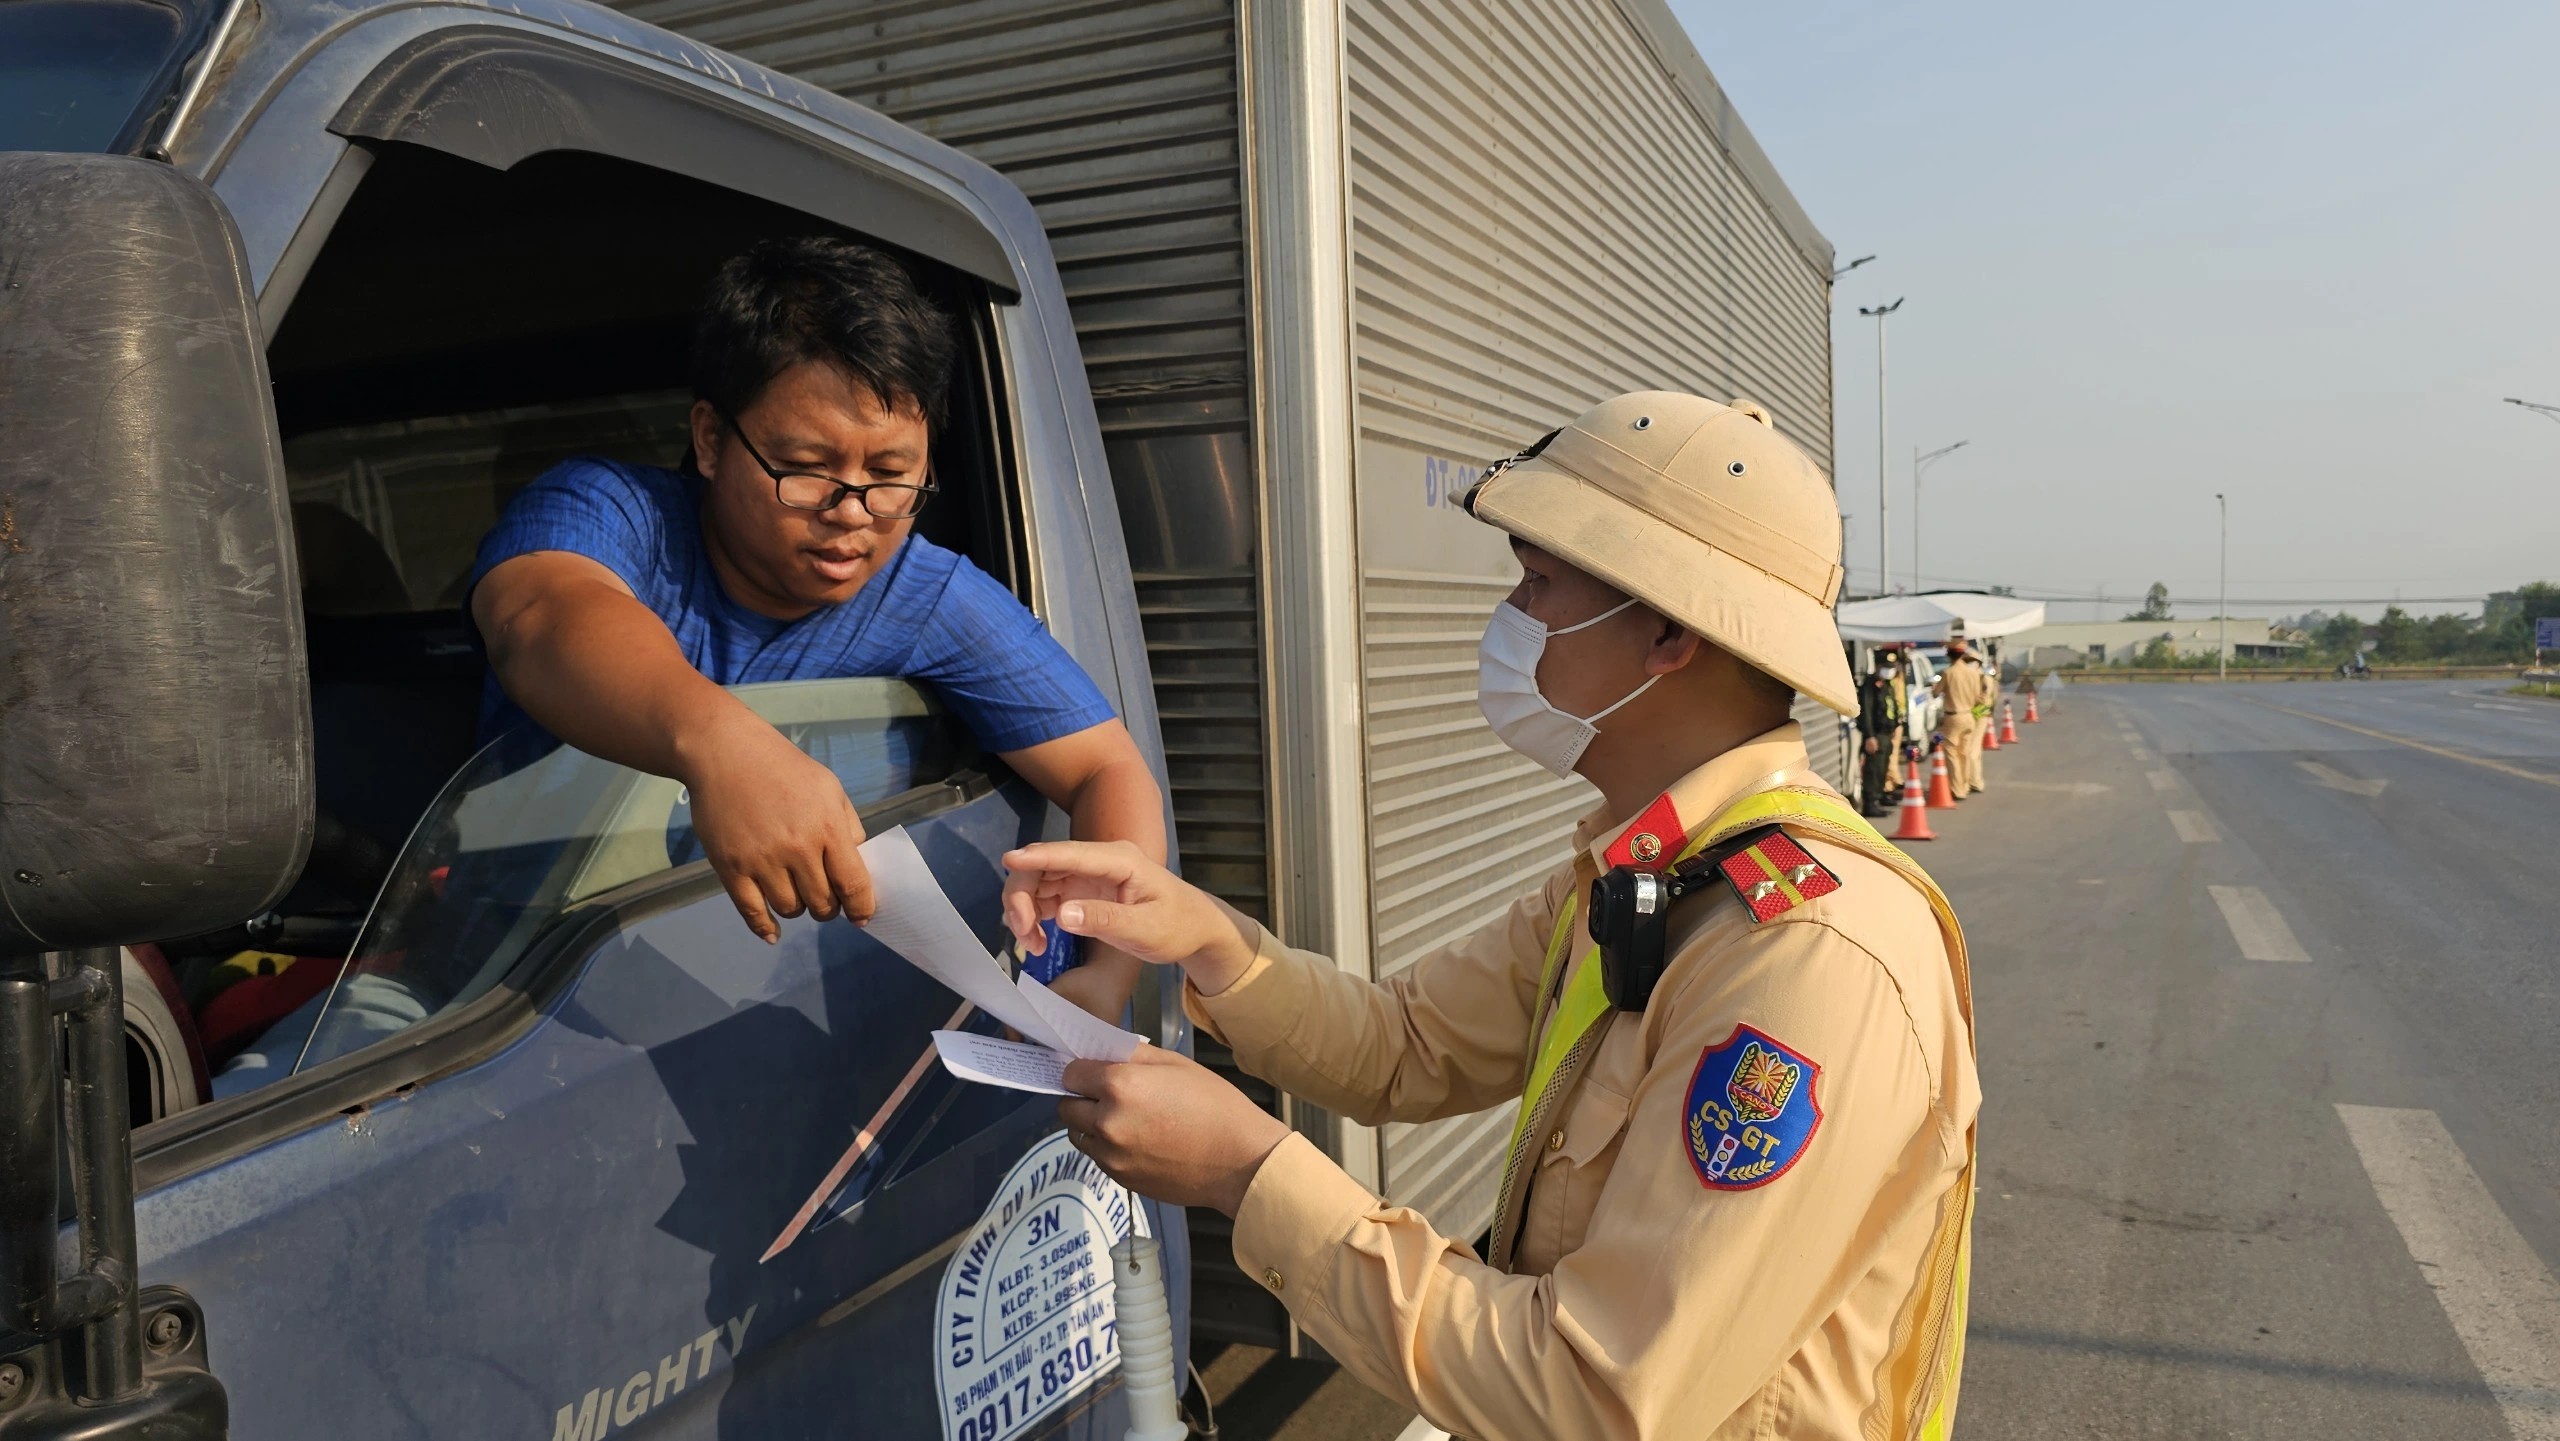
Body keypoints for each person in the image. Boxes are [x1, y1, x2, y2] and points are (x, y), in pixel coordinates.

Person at [1002, 393, 1981, 1439]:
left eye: (1539, 581)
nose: (1510, 615)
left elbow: (1593, 1396)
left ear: (1665, 631)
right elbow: (1403, 1044)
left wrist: (1249, 1172)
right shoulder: (1648, 871)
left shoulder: (1803, 955)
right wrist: (1205, 936)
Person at [468, 236, 1164, 1020]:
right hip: (500, 990)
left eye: (891, 476)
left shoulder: (922, 592)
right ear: (710, 439)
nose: (852, 513)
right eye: (806, 467)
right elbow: (538, 617)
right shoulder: (612, 515)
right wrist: (721, 745)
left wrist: (1108, 973)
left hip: (752, 1017)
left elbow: (1108, 768)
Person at [1933, 637, 1988, 800]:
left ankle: (1957, 790)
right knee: (1964, 753)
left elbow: (1936, 693)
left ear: (1949, 655)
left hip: (1953, 717)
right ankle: (1964, 786)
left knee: (1952, 754)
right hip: (1969, 717)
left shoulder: (1948, 673)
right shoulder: (1973, 674)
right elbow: (1979, 697)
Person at [1857, 648, 1904, 816]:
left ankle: (1880, 795)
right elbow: (1867, 713)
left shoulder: (1885, 684)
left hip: (1886, 733)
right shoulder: (1870, 686)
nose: (1889, 669)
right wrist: (1869, 736)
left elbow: (1891, 707)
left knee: (1882, 767)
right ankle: (1870, 802)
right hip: (1875, 734)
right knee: (1873, 769)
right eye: (1885, 666)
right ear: (1877, 665)